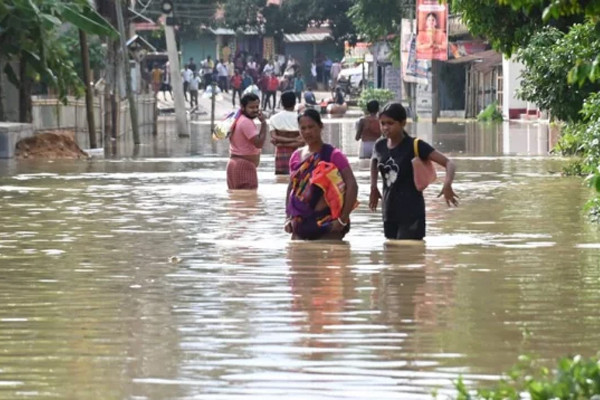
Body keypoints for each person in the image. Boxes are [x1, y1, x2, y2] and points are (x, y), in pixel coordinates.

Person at [369, 103, 458, 240]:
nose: (386, 127)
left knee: (408, 254)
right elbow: (374, 162)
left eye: (390, 123)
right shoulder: (380, 145)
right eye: (382, 123)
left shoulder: (415, 145)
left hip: (412, 213)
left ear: (403, 123)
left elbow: (449, 163)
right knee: (391, 254)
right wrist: (373, 187)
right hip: (389, 212)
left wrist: (447, 184)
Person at [284, 109, 358, 240]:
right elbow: (292, 188)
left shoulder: (333, 155)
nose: (307, 131)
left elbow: (352, 185)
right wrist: (288, 217)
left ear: (320, 126)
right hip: (300, 224)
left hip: (328, 223)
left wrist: (342, 219)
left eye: (311, 127)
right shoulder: (296, 156)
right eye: (303, 128)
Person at [226, 93, 268, 190]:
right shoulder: (246, 122)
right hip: (244, 166)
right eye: (251, 107)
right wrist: (264, 123)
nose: (255, 110)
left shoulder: (238, 119)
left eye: (257, 106)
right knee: (249, 201)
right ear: (243, 107)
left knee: (238, 201)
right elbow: (259, 144)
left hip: (234, 164)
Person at [270, 91, 304, 175]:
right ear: (295, 102)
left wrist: (281, 144)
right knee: (299, 178)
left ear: (281, 103)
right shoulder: (302, 119)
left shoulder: (274, 118)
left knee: (281, 178)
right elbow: (303, 140)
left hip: (281, 153)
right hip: (299, 152)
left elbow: (274, 137)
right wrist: (295, 140)